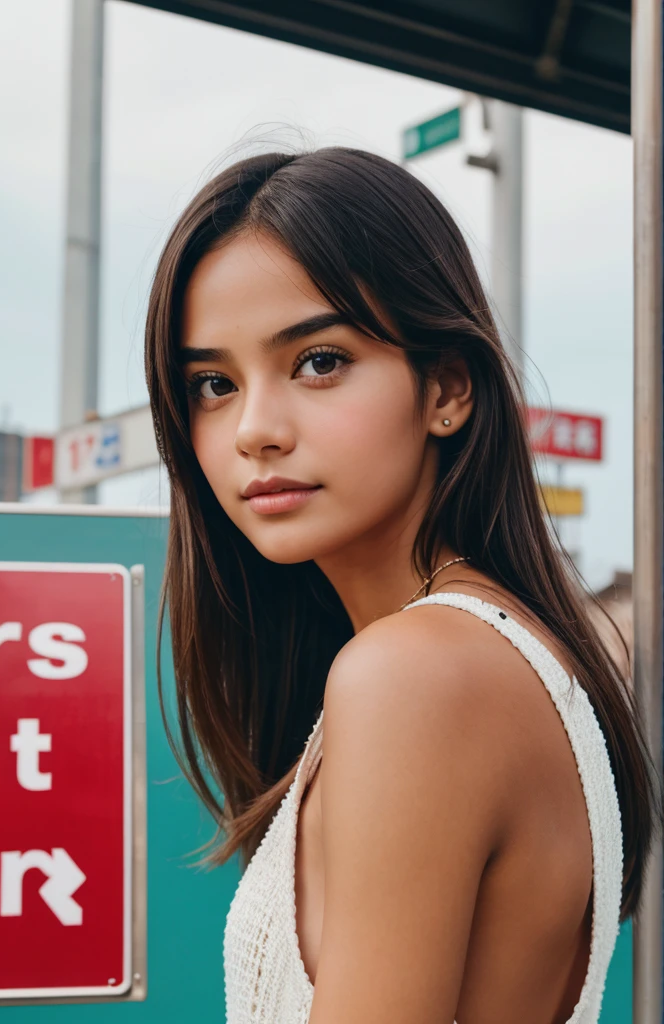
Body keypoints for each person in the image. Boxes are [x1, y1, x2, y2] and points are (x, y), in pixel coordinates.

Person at [144, 147, 657, 1024]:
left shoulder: (415, 674)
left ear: (447, 388)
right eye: (213, 384)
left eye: (318, 361)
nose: (254, 430)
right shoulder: (497, 651)